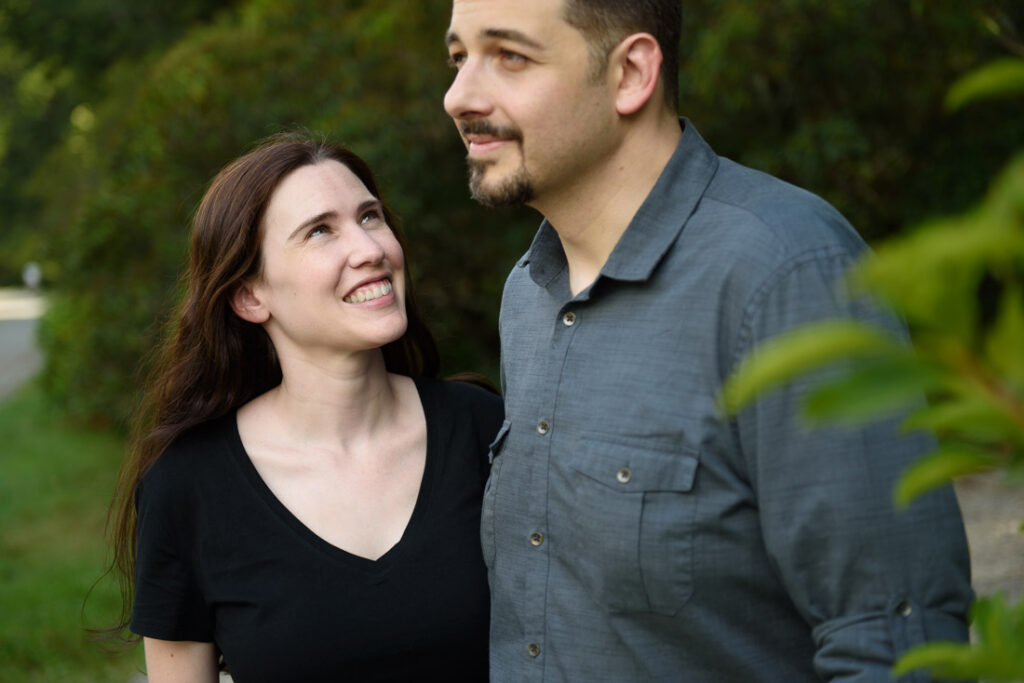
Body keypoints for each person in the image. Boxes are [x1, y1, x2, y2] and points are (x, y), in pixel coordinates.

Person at [442, 1, 974, 680]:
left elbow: (897, 645)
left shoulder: (787, 274)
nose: (458, 96)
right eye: (459, 58)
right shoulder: (528, 292)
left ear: (631, 73)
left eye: (509, 56)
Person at [106, 134, 503, 682]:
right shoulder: (188, 486)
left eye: (370, 217)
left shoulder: (483, 429)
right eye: (320, 231)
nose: (370, 250)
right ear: (250, 296)